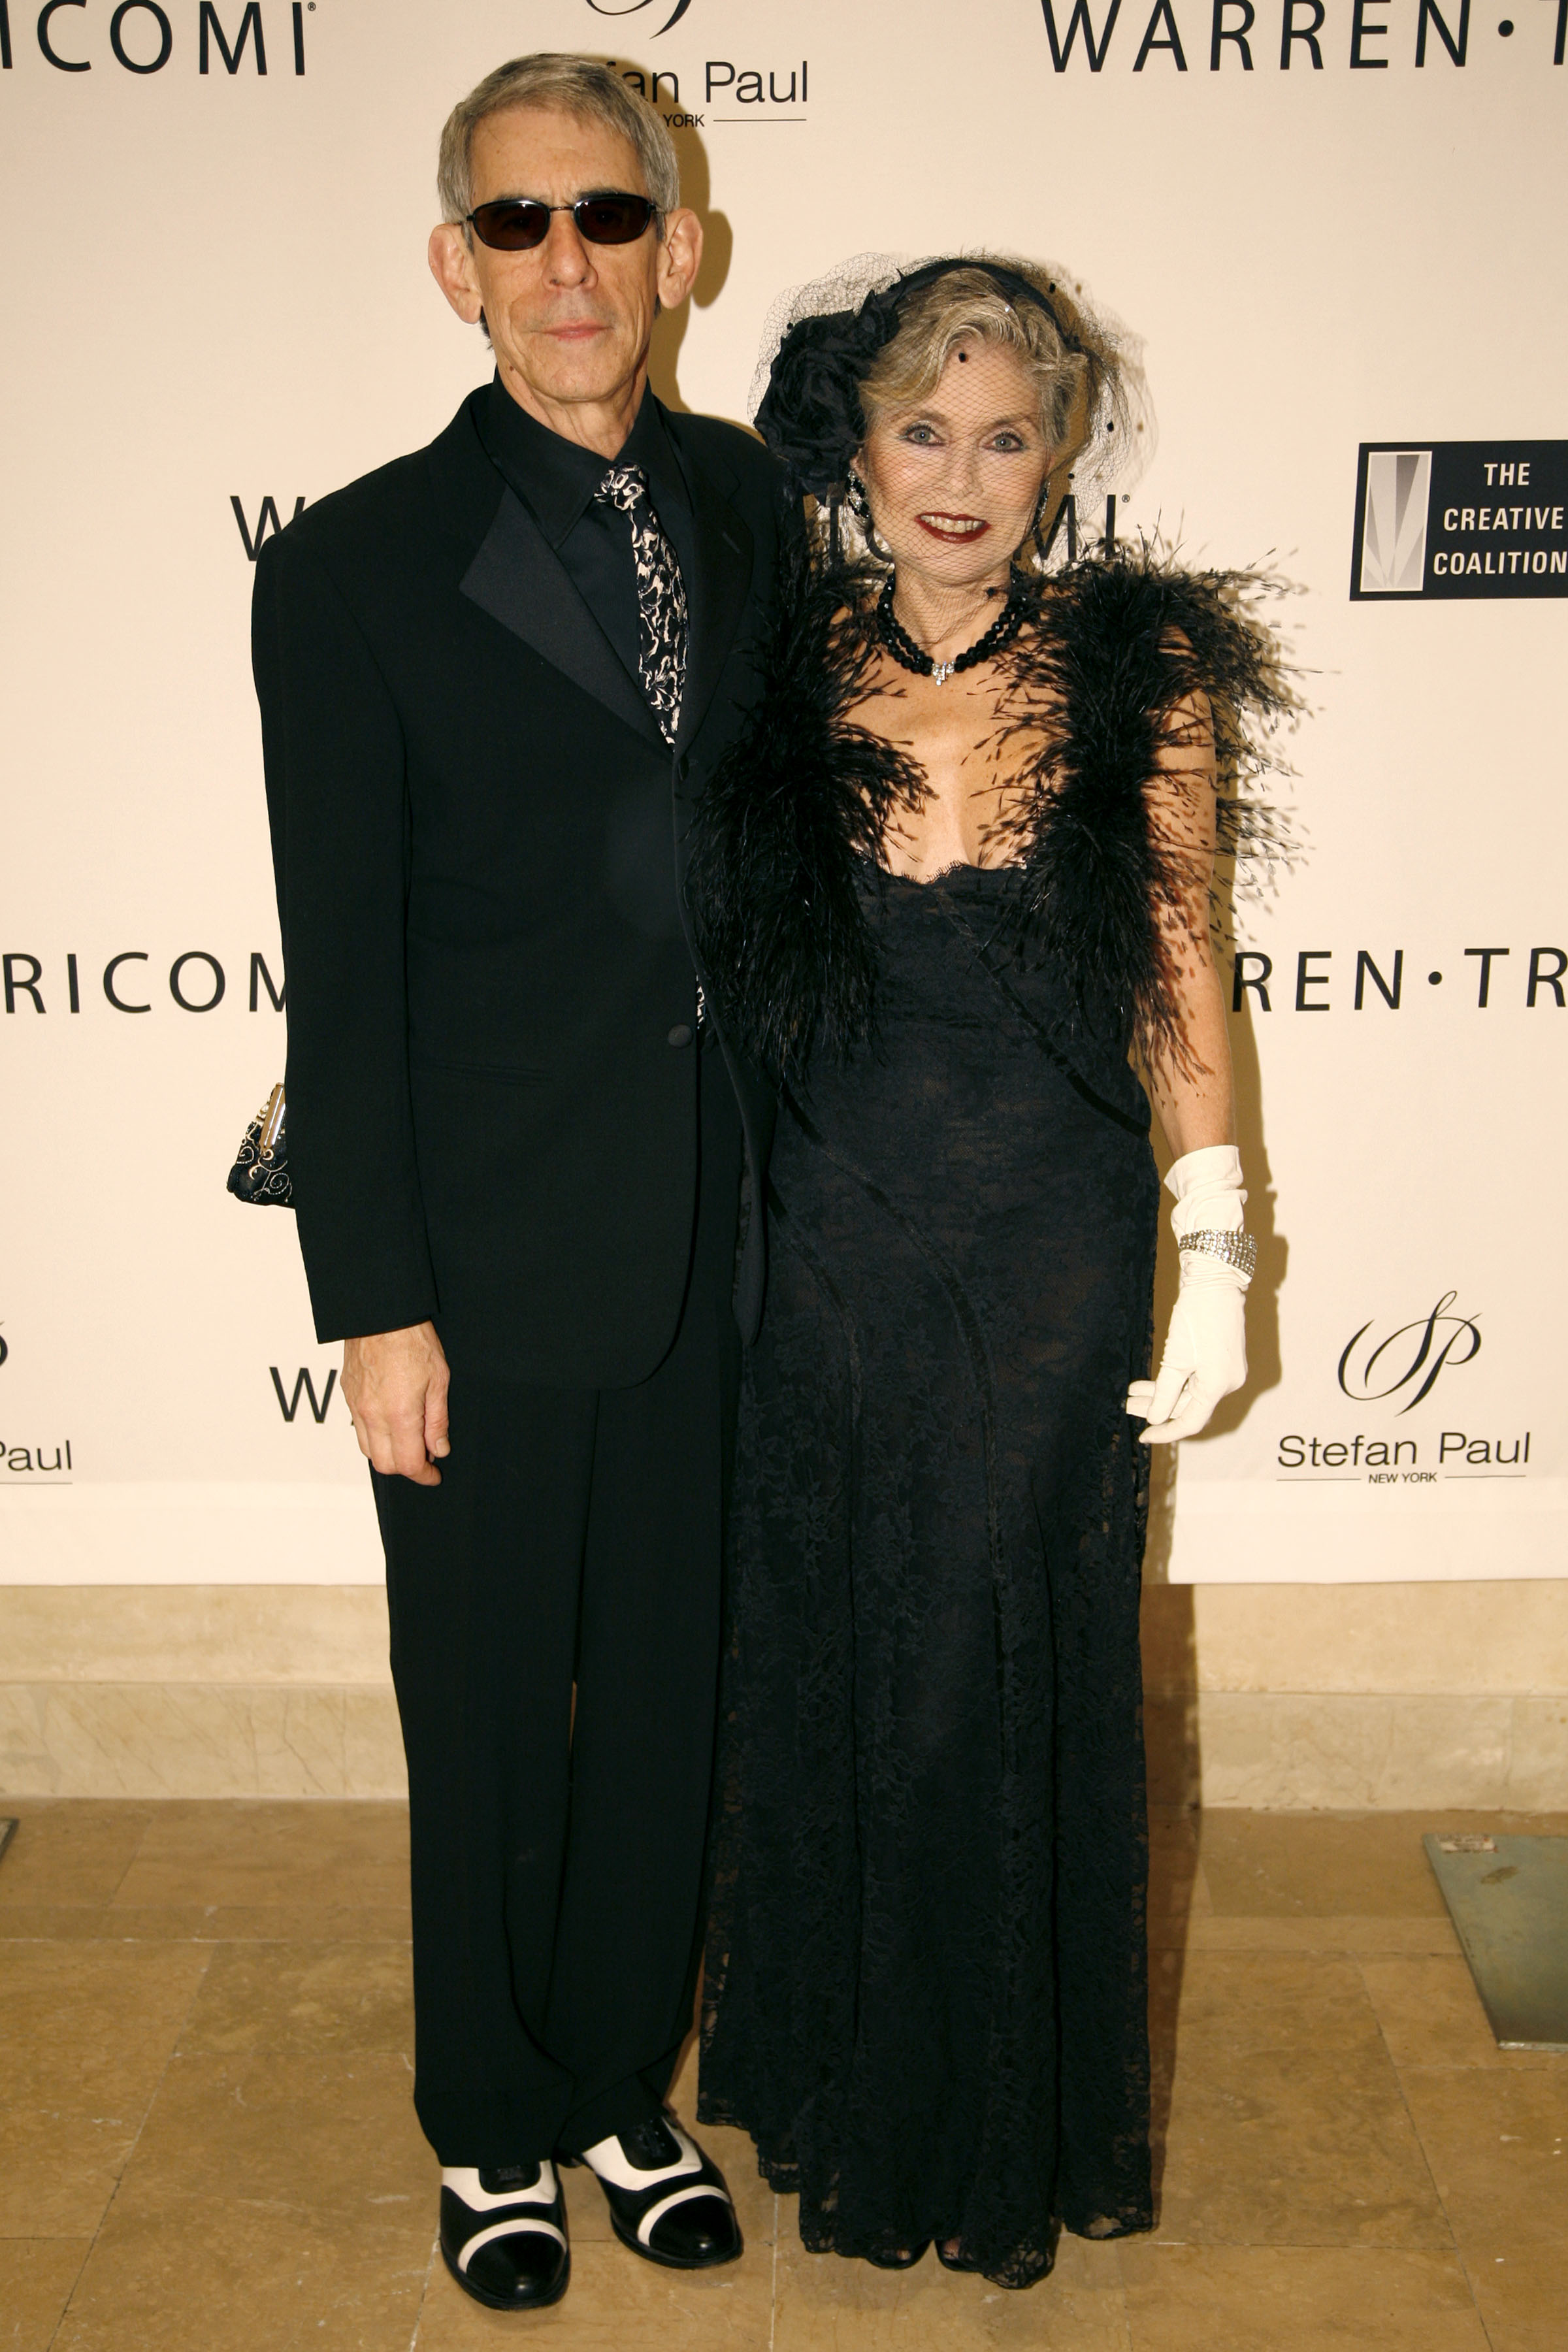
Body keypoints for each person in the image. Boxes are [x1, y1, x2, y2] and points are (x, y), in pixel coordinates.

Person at [251, 55, 791, 2315]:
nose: (567, 263)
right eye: (517, 223)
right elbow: (340, 960)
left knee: (668, 1690)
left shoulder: (762, 504)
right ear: (454, 268)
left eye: (606, 212)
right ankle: (488, 2118)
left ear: (680, 244)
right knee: (481, 1705)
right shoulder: (358, 562)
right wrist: (376, 1297)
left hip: (725, 1233)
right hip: (477, 1253)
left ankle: (607, 2083)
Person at [687, 255, 1281, 2289]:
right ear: (855, 441)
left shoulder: (1140, 667)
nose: (961, 476)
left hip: (1047, 1234)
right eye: (921, 428)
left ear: (1064, 452)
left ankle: (982, 2115)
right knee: (839, 1642)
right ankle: (846, 2079)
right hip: (825, 1230)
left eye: (1006, 433)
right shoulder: (774, 654)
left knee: (992, 1659)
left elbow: (1180, 966)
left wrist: (1215, 1237)